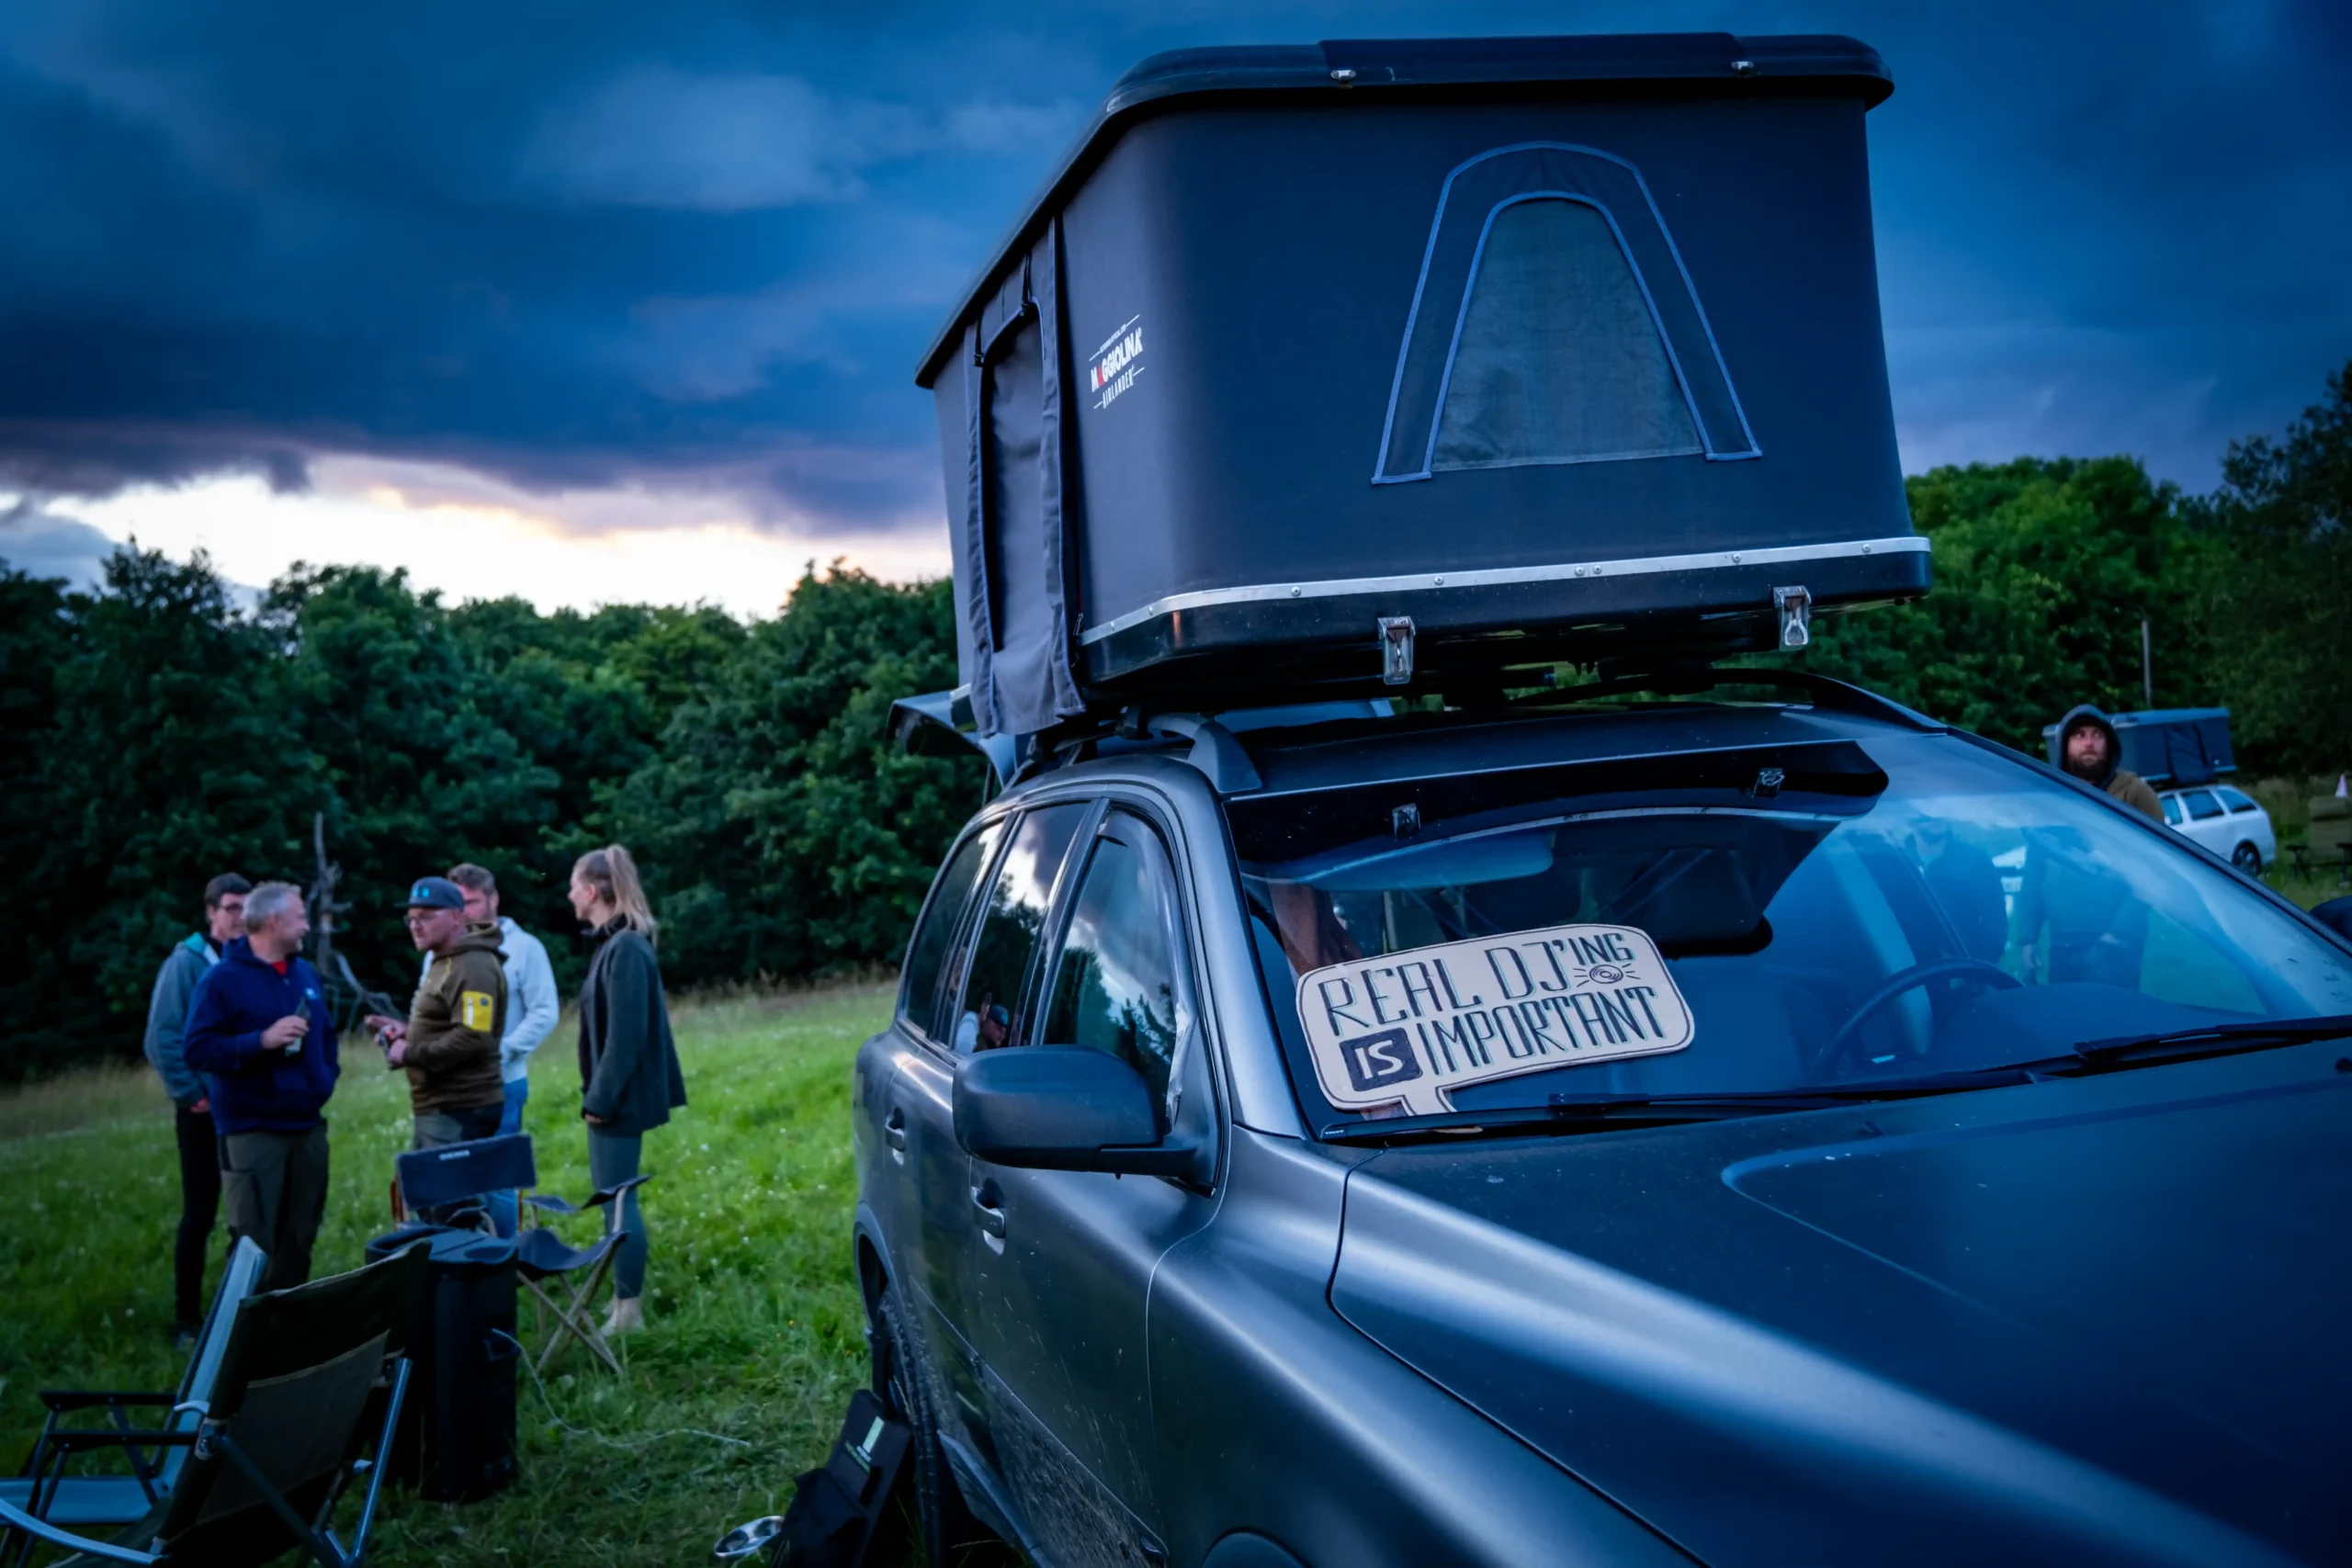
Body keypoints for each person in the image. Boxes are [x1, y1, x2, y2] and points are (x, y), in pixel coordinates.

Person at [182, 882, 338, 1292]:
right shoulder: (222, 980)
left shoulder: (304, 974)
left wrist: (324, 1080)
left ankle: (287, 1339)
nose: (307, 926)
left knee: (299, 1238)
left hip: (307, 1127)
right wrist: (260, 1041)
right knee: (253, 1245)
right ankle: (239, 1342)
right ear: (273, 921)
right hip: (253, 1130)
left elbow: (327, 1039)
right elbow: (197, 1049)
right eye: (300, 917)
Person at [570, 844, 686, 1336]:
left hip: (616, 1101)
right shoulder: (612, 945)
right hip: (610, 1098)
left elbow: (627, 1037)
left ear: (593, 891)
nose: (569, 895)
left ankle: (629, 1312)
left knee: (619, 1199)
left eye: (574, 885)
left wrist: (600, 1100)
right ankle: (621, 1302)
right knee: (612, 1196)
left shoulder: (627, 949)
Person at [143, 873, 250, 1346]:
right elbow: (162, 1038)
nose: (239, 917)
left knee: (245, 1217)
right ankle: (187, 1319)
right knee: (200, 1211)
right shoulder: (186, 962)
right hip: (203, 1110)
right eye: (230, 907)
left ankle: (238, 1315)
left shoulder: (251, 959)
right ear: (210, 912)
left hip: (245, 1109)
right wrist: (192, 1094)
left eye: (246, 907)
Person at [424, 863, 558, 1235]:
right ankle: (463, 1266)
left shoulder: (523, 948)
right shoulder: (438, 952)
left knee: (497, 1182)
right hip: (447, 1090)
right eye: (456, 904)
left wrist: (506, 1051)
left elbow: (545, 1011)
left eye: (471, 902)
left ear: (493, 899)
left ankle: (502, 1266)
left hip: (501, 1084)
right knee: (450, 1180)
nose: (464, 912)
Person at [367, 877, 508, 1166]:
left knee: (451, 1208)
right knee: (437, 1205)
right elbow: (450, 1023)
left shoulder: (473, 966)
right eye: (411, 918)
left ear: (457, 917)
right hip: (441, 1108)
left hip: (459, 1108)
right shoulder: (444, 959)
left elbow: (473, 1036)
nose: (416, 926)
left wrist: (408, 1053)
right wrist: (407, 1033)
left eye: (426, 917)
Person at [1907, 818, 2007, 964]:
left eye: (1940, 808)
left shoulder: (1974, 860)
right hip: (1901, 966)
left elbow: (1995, 927)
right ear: (1910, 819)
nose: (1935, 815)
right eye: (1925, 813)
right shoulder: (1894, 861)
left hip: (1960, 968)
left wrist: (1978, 972)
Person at [2052, 705, 2164, 821]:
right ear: (2065, 745)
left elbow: (2157, 839)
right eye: (2080, 735)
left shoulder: (2135, 793)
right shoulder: (2054, 796)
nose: (2089, 743)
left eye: (2097, 735)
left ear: (2109, 744)